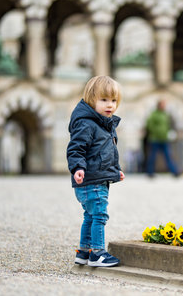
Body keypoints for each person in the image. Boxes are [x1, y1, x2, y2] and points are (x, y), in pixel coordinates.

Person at [67, 75, 125, 267]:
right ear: (91, 100)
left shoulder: (104, 124)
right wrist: (77, 168)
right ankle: (98, 253)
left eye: (114, 100)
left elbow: (107, 153)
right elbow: (76, 148)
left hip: (96, 178)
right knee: (100, 215)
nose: (110, 105)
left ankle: (84, 251)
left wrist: (116, 171)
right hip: (90, 180)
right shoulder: (87, 123)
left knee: (90, 216)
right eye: (104, 100)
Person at [146, 100, 180, 177]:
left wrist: (170, 133)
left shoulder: (166, 114)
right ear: (158, 105)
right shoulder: (153, 114)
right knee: (153, 156)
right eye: (162, 105)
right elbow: (150, 125)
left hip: (164, 139)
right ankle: (150, 172)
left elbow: (169, 125)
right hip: (155, 139)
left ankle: (174, 172)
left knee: (168, 155)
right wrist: (156, 132)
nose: (164, 106)